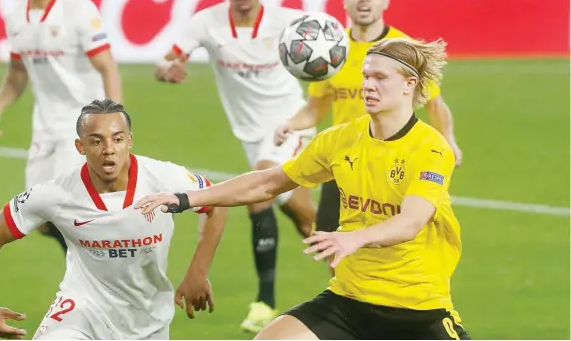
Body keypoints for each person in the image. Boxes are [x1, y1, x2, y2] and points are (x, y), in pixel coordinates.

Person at [136, 38, 471, 340]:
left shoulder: (430, 148)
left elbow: (410, 222)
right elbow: (268, 183)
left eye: (381, 78)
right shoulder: (340, 139)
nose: (368, 85)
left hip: (418, 309)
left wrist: (353, 238)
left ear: (409, 85)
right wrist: (185, 198)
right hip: (349, 301)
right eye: (366, 76)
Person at [0, 99, 227, 340]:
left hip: (148, 322)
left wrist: (198, 272)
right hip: (80, 312)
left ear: (129, 141)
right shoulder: (57, 193)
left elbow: (217, 202)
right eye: (96, 141)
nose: (108, 150)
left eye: (117, 139)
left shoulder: (164, 178)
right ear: (80, 146)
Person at [154, 0, 316, 332]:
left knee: (258, 194)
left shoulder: (285, 21)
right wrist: (168, 70)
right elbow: (165, 60)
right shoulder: (207, 23)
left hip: (287, 126)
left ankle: (264, 303)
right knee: (306, 219)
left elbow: (323, 47)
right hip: (250, 136)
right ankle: (355, 270)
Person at [274, 0, 462, 250]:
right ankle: (351, 291)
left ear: (385, 0)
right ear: (345, 1)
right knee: (327, 239)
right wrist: (291, 124)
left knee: (392, 241)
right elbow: (315, 109)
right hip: (345, 159)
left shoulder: (402, 49)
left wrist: (449, 139)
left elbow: (435, 103)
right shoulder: (332, 50)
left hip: (392, 160)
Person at [0, 0, 123, 255]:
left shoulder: (78, 9)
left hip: (83, 122)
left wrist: (115, 119)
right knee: (41, 219)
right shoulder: (16, 15)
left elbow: (107, 66)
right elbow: (18, 74)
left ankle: (95, 275)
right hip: (44, 123)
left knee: (70, 209)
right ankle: (94, 266)